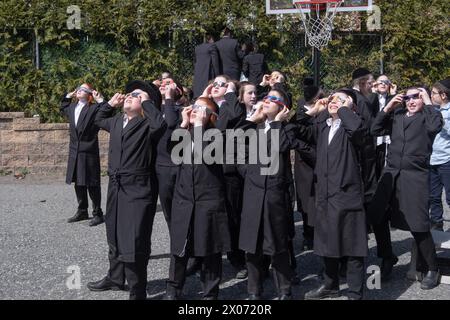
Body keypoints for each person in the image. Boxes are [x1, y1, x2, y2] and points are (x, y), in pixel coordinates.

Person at [87, 80, 166, 300]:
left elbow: (160, 125)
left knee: (134, 239)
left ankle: (138, 290)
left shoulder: (146, 124)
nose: (130, 96)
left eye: (137, 95)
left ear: (146, 102)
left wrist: (148, 103)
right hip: (116, 186)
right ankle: (115, 277)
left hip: (138, 188)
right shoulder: (116, 121)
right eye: (130, 94)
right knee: (113, 232)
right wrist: (109, 104)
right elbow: (96, 121)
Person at [165, 83, 244, 299]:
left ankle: (210, 294)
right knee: (179, 247)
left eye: (200, 109)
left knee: (210, 249)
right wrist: (183, 124)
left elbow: (205, 155)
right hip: (184, 198)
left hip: (208, 200)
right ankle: (173, 289)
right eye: (193, 107)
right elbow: (171, 150)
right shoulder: (185, 133)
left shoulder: (217, 135)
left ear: (211, 116)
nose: (194, 111)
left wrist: (199, 126)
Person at [294, 89, 368, 300]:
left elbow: (357, 130)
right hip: (325, 194)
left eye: (341, 100)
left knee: (353, 245)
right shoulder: (324, 127)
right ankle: (330, 285)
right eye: (333, 98)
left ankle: (355, 292)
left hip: (346, 194)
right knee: (327, 242)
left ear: (351, 108)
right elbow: (296, 128)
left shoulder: (354, 125)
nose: (335, 101)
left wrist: (344, 108)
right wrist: (313, 111)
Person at [368, 87, 443, 290]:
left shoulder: (428, 118)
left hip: (414, 176)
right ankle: (387, 257)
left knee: (418, 224)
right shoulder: (398, 115)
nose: (411, 101)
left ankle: (432, 268)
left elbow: (436, 125)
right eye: (407, 97)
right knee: (378, 216)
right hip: (391, 174)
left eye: (416, 97)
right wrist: (388, 107)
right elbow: (374, 130)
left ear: (423, 98)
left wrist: (428, 101)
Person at [239, 88, 295, 300]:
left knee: (277, 245)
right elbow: (236, 146)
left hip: (274, 193)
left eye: (274, 99)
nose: (267, 100)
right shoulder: (254, 127)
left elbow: (281, 146)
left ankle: (284, 290)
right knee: (251, 246)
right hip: (253, 191)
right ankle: (254, 290)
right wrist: (248, 171)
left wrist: (278, 123)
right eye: (266, 97)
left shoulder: (286, 127)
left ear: (282, 107)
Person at [60, 83, 105, 227]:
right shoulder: (72, 107)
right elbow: (63, 107)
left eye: (84, 89)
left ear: (90, 94)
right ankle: (82, 210)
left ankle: (97, 213)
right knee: (78, 182)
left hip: (89, 149)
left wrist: (100, 100)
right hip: (74, 150)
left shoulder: (93, 108)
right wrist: (68, 96)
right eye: (79, 88)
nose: (80, 90)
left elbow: (106, 111)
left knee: (92, 182)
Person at [294, 77, 323, 251]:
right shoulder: (301, 111)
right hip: (305, 161)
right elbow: (297, 132)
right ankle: (308, 234)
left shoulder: (324, 110)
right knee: (306, 199)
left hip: (321, 159)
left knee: (320, 199)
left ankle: (320, 232)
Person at [429, 78, 450, 231]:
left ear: (443, 95)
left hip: (447, 160)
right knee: (433, 196)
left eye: (433, 93)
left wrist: (441, 120)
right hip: (431, 159)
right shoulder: (433, 110)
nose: (431, 96)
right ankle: (436, 223)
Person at [193, 34, 221, 99]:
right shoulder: (212, 46)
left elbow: (195, 61)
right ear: (211, 39)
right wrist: (218, 76)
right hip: (208, 73)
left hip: (198, 74)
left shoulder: (197, 48)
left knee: (199, 93)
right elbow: (215, 62)